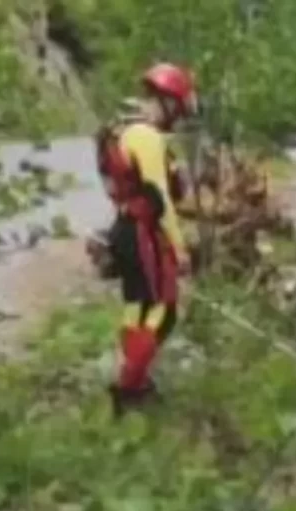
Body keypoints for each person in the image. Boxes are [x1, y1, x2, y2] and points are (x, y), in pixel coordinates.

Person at [94, 62, 198, 416]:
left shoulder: (121, 131)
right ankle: (129, 387)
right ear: (168, 102)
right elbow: (160, 198)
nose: (177, 119)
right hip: (142, 231)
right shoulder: (148, 137)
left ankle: (132, 381)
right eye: (177, 110)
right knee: (164, 309)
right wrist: (180, 248)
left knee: (136, 305)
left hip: (122, 227)